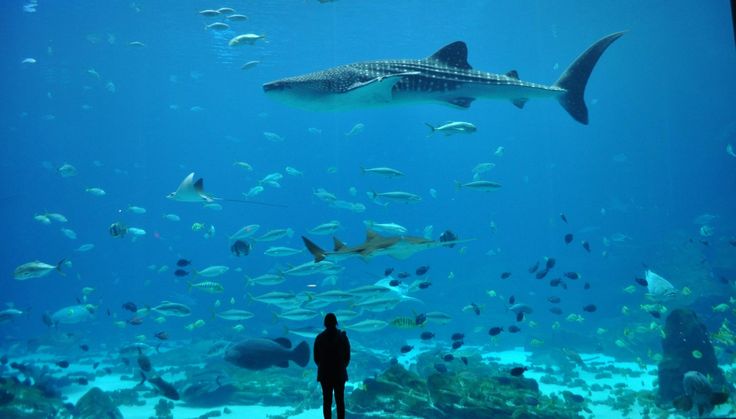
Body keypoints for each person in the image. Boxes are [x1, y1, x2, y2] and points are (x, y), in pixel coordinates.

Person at [314, 313, 351, 419]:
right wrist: (342, 367)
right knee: (340, 401)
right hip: (339, 374)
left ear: (324, 323)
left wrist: (324, 367)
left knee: (327, 401)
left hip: (324, 374)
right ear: (336, 323)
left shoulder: (319, 338)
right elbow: (348, 356)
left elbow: (316, 358)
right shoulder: (343, 337)